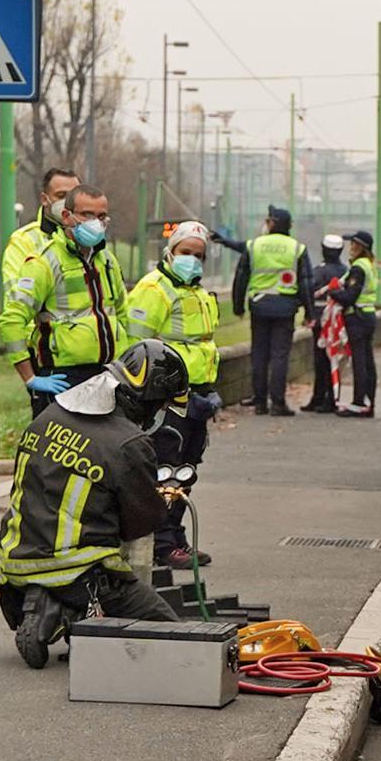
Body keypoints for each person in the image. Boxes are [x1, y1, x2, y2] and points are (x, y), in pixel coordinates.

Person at [0, 339, 187, 667]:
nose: (158, 414)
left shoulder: (46, 418)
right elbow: (140, 523)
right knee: (175, 637)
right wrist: (161, 502)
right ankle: (69, 606)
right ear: (146, 397)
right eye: (160, 405)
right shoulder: (130, 443)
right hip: (81, 573)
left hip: (12, 567)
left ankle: (51, 605)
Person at [125, 224, 222, 562]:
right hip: (168, 399)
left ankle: (173, 536)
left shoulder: (196, 291)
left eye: (199, 255)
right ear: (170, 251)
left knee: (185, 470)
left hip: (196, 395)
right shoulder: (154, 289)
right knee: (165, 468)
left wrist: (208, 390)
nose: (192, 261)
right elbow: (137, 347)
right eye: (186, 253)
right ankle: (162, 543)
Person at [0, 182, 125, 403]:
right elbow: (11, 320)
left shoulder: (107, 261)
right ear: (66, 216)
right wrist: (30, 378)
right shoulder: (44, 262)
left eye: (101, 216)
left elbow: (123, 313)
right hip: (63, 378)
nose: (95, 223)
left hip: (108, 375)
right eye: (86, 214)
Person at [237, 204, 310, 417]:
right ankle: (278, 403)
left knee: (259, 354)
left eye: (268, 220)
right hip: (285, 308)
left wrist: (238, 305)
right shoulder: (297, 248)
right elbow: (306, 283)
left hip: (259, 306)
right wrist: (309, 312)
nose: (265, 223)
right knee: (280, 356)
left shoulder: (254, 245)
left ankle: (260, 402)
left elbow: (241, 277)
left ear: (273, 223)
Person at [0, 163, 78, 293]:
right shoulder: (23, 241)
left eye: (73, 196)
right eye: (61, 196)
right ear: (44, 199)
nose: (68, 202)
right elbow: (16, 299)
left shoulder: (89, 238)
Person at [336, 230, 381, 417]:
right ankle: (369, 403)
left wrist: (333, 294)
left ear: (361, 247)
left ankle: (358, 402)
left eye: (354, 244)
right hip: (368, 315)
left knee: (360, 362)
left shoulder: (358, 268)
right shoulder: (368, 264)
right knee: (368, 362)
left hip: (357, 318)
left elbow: (350, 296)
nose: (350, 247)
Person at [306, 231, 348, 414]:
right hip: (339, 320)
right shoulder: (345, 271)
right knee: (334, 360)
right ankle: (327, 397)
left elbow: (308, 290)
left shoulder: (318, 271)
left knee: (320, 360)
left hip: (320, 319)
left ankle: (322, 398)